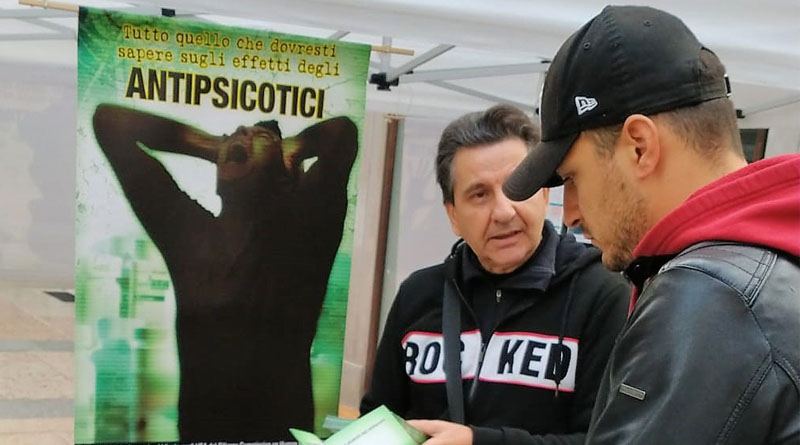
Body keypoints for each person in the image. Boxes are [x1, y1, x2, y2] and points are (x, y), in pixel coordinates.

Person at [503, 6, 800, 444]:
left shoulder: (709, 298)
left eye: (573, 179)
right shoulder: (772, 262)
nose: (570, 214)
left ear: (640, 147)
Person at [360, 104, 630, 444]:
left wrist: (479, 442)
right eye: (479, 194)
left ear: (545, 193)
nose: (503, 212)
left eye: (518, 187)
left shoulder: (602, 294)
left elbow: (608, 440)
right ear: (453, 215)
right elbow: (376, 420)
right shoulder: (418, 295)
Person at [92, 104, 358, 442]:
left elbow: (341, 134)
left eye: (259, 136)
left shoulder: (306, 237)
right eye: (236, 132)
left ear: (285, 174)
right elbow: (110, 122)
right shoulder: (188, 234)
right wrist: (217, 145)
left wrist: (288, 149)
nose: (242, 132)